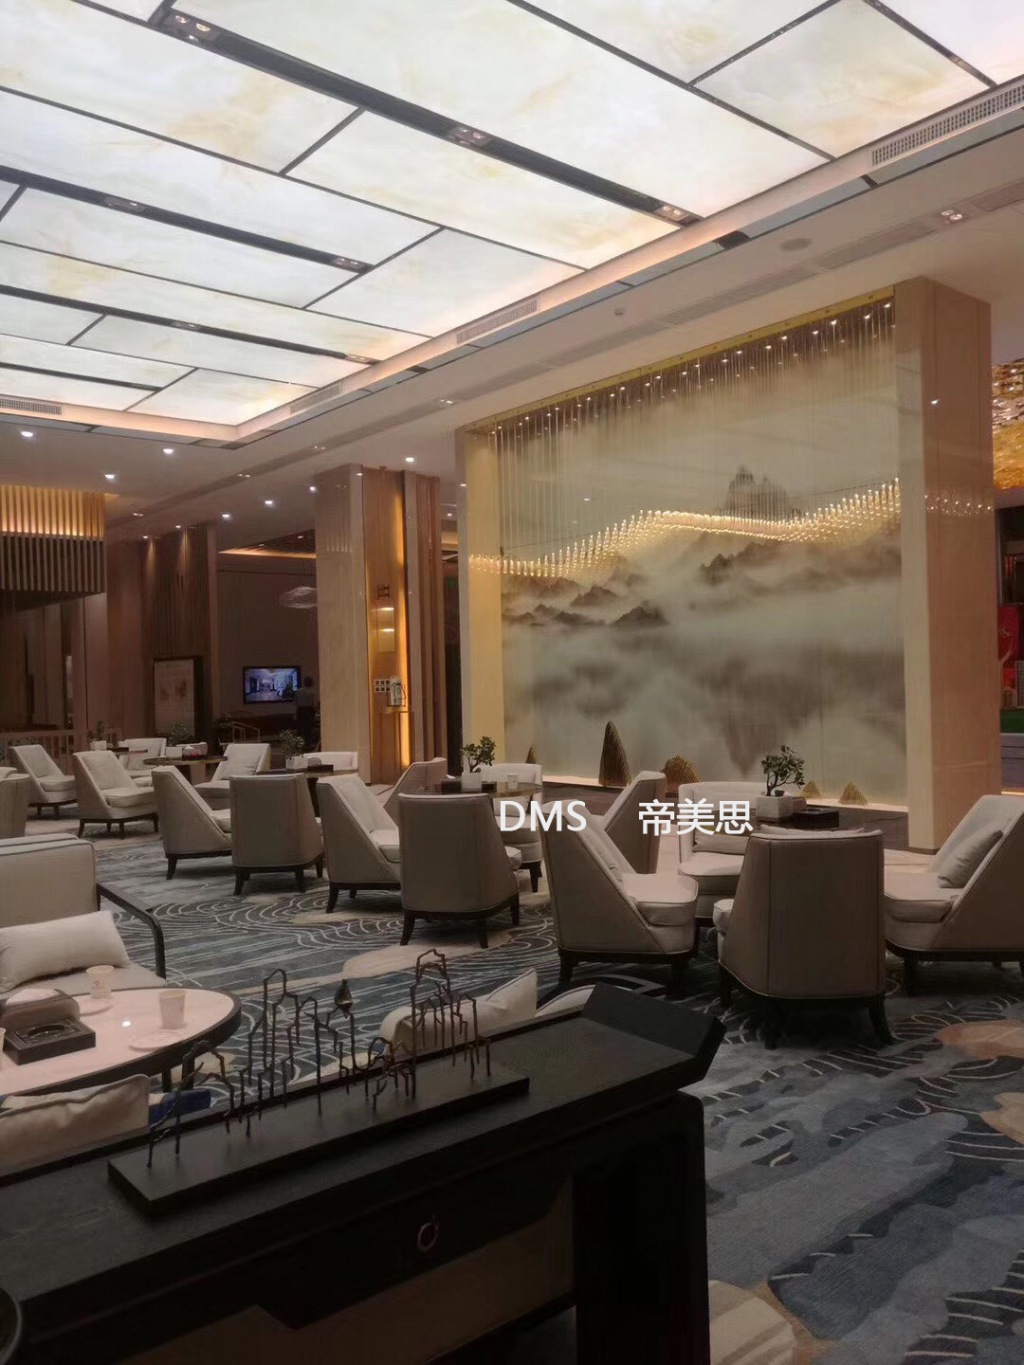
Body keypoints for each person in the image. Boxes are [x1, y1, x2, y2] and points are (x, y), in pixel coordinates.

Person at [295, 674, 317, 748]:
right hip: (309, 711)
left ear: (304, 682)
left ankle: (299, 745)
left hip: (300, 710)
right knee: (308, 729)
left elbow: (295, 703)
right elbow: (314, 705)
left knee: (300, 728)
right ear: (311, 683)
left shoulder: (298, 691)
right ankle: (307, 745)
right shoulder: (312, 693)